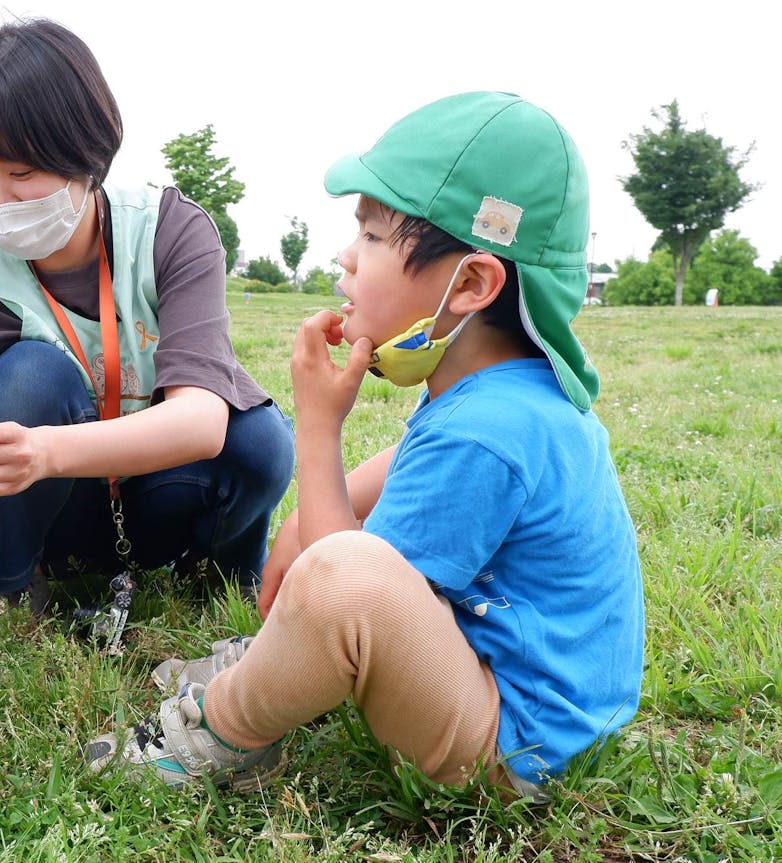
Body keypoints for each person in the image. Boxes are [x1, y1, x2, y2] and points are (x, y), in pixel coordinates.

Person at [88, 92, 644, 799]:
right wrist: (304, 518)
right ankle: (268, 662)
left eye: (375, 237)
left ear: (471, 282)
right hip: (528, 710)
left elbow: (344, 589)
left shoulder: (487, 433)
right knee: (341, 556)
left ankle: (222, 728)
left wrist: (318, 427)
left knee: (345, 572)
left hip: (509, 751)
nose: (346, 260)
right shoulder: (506, 392)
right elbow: (405, 460)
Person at [0, 19, 295, 638]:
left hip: (150, 496)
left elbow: (202, 420)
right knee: (30, 378)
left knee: (258, 440)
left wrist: (44, 453)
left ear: (90, 158)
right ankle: (13, 583)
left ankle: (214, 572)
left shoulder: (168, 230)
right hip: (33, 514)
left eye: (23, 173)